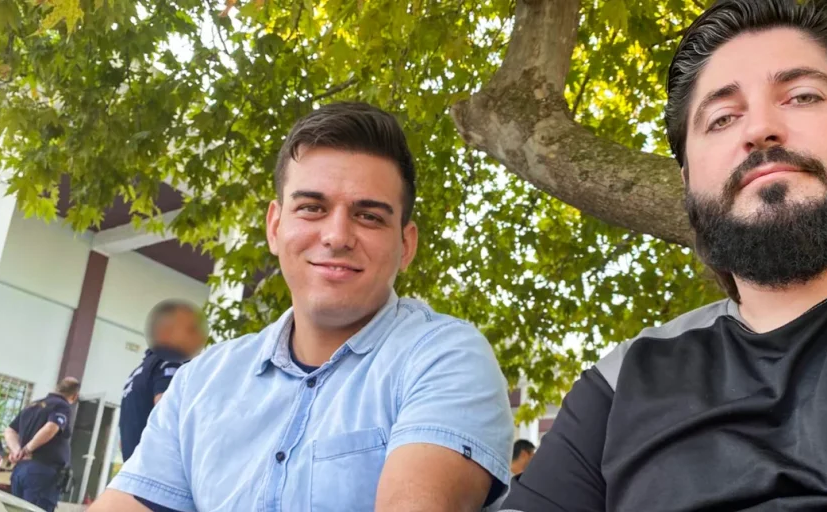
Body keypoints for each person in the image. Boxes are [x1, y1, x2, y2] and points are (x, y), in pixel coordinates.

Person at [502, 1, 827, 510]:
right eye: (721, 119)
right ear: (689, 182)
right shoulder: (620, 383)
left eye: (802, 96)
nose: (759, 129)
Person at [93, 102, 513, 511]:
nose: (337, 236)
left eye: (369, 216)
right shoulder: (199, 383)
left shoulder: (445, 359)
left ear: (406, 245)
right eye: (312, 208)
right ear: (275, 226)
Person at [119, 299, 206, 462]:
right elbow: (166, 412)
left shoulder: (139, 372)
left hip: (133, 465)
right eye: (191, 330)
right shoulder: (171, 362)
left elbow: (122, 439)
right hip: (157, 466)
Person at [3, 377, 80, 512]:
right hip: (42, 472)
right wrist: (27, 449)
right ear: (74, 396)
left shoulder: (32, 405)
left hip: (21, 469)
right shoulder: (62, 406)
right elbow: (51, 428)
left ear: (56, 388)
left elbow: (10, 430)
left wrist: (16, 451)